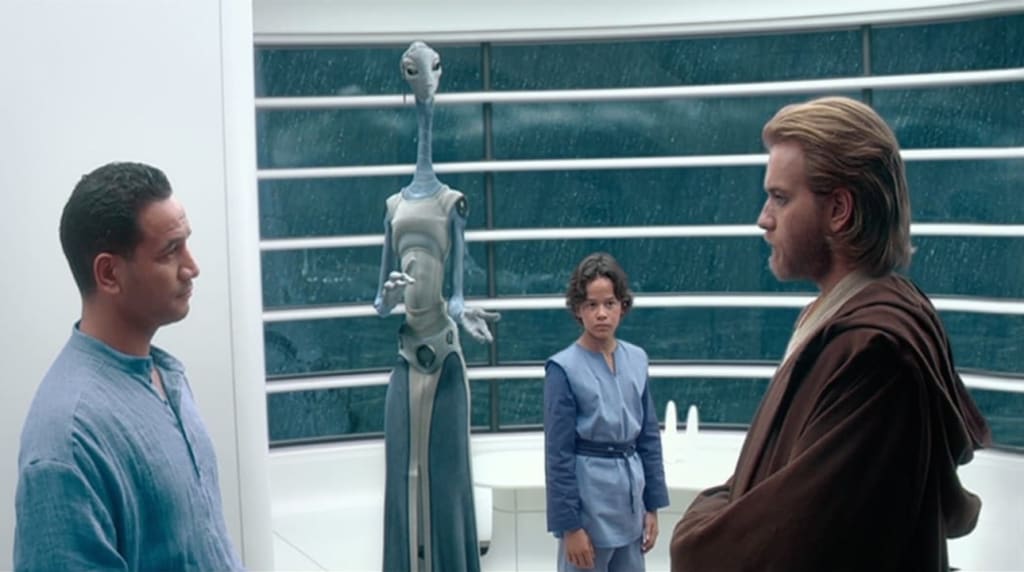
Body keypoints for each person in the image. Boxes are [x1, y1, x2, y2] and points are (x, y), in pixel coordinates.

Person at [670, 96, 991, 571]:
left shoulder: (873, 355)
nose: (763, 218)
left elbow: (733, 554)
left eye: (780, 198)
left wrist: (695, 527)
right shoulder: (853, 322)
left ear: (839, 209)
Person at [14, 162, 244, 571]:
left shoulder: (166, 376)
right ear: (109, 274)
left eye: (187, 244)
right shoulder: (68, 441)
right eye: (170, 251)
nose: (192, 267)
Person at [374, 41, 499, 572]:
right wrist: (388, 298)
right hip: (407, 358)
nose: (424, 80)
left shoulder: (452, 204)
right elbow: (380, 300)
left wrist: (462, 308)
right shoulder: (393, 207)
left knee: (447, 480)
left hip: (444, 356)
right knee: (402, 476)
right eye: (413, 71)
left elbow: (458, 287)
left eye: (430, 71)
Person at [544, 252, 670, 572]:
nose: (601, 313)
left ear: (622, 306)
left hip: (630, 504)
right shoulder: (563, 368)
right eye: (591, 305)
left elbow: (648, 438)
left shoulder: (637, 359)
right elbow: (558, 454)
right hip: (589, 507)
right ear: (578, 309)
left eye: (609, 303)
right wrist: (570, 527)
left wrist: (652, 506)